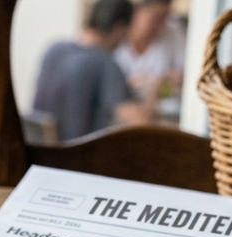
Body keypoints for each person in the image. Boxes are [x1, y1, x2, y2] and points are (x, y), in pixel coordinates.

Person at [31, 0, 157, 141]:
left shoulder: (55, 49)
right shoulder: (105, 64)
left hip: (41, 154)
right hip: (76, 157)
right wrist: (155, 88)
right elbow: (141, 124)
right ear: (119, 28)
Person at [114, 0, 185, 101]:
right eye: (157, 19)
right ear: (137, 11)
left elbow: (185, 75)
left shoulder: (174, 33)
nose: (162, 26)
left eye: (166, 18)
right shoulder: (117, 36)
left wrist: (159, 80)